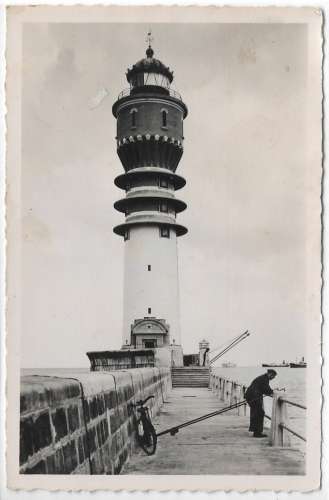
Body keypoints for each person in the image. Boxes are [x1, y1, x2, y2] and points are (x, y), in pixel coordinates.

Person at [245, 369, 277, 438]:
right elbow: (266, 389)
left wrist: (271, 391)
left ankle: (256, 431)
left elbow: (264, 389)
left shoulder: (263, 378)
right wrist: (273, 392)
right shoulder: (264, 379)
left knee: (256, 413)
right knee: (259, 413)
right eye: (273, 376)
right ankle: (257, 433)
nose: (273, 378)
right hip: (254, 397)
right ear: (270, 374)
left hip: (251, 396)